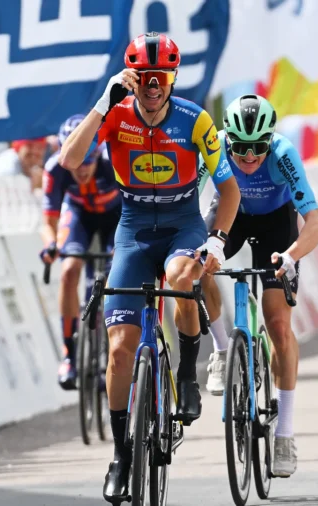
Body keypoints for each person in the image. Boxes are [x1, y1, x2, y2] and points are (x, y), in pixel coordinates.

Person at [58, 32, 241, 502]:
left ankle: (185, 375)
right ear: (131, 77)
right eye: (144, 77)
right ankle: (121, 456)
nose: (153, 85)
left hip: (182, 226)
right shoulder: (116, 116)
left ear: (172, 77)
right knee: (120, 350)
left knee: (183, 278)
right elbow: (69, 159)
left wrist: (217, 241)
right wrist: (102, 103)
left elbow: (229, 191)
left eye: (161, 76)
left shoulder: (195, 120)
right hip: (134, 230)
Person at [198, 94, 318, 477]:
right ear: (228, 139)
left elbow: (316, 222)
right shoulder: (214, 144)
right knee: (198, 263)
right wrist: (199, 245)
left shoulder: (283, 152)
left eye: (258, 148)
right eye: (241, 148)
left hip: (276, 225)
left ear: (269, 140)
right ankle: (222, 350)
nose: (250, 157)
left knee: (278, 325)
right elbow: (186, 201)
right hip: (230, 214)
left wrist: (292, 254)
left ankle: (284, 432)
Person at [40, 114, 121, 390]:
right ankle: (69, 355)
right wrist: (50, 246)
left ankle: (113, 351)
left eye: (88, 159)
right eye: (76, 161)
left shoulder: (113, 163)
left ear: (98, 152)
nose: (83, 168)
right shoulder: (55, 169)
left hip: (116, 217)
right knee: (69, 270)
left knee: (116, 278)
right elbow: (48, 223)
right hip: (79, 217)